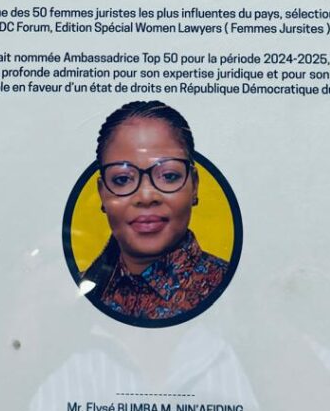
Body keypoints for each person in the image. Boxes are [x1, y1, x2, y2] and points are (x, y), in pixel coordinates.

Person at [80, 100, 228, 322]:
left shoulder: (234, 291)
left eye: (169, 176)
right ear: (102, 193)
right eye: (122, 179)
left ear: (194, 185)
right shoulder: (73, 292)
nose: (146, 196)